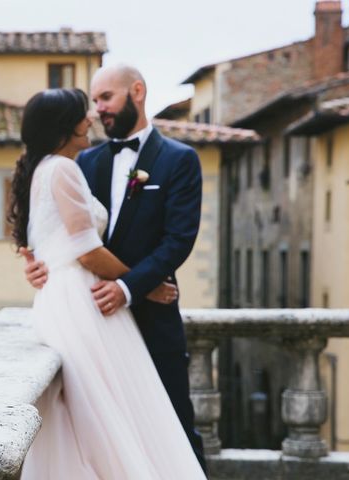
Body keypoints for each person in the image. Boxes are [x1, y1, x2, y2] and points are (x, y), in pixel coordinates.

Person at [10, 85, 206, 479]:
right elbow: (85, 250)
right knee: (112, 417)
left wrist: (40, 258)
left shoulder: (54, 166)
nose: (94, 115)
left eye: (104, 99)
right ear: (66, 125)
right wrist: (142, 285)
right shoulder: (69, 165)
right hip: (88, 300)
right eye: (88, 108)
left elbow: (177, 238)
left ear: (137, 91)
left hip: (91, 300)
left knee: (129, 417)